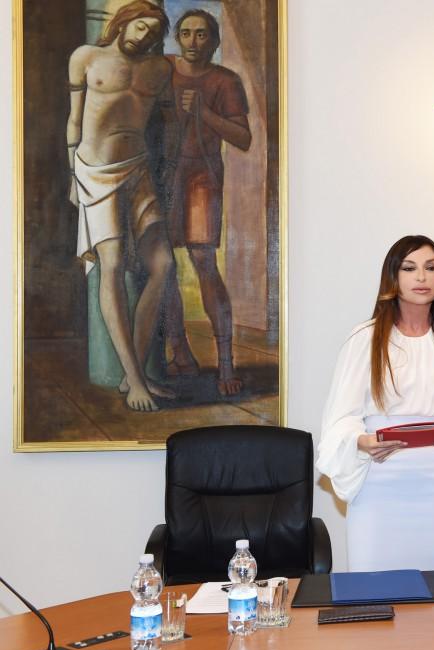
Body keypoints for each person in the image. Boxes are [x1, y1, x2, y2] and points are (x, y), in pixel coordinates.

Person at [316, 235, 434, 571]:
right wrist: (361, 441)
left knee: (432, 588)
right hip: (378, 480)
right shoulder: (365, 338)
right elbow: (341, 417)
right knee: (374, 587)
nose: (422, 277)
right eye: (410, 268)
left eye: (431, 268)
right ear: (393, 277)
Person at [67, 0, 178, 411]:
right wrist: (72, 173)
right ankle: (135, 380)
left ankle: (135, 375)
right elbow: (74, 120)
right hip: (94, 172)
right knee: (111, 265)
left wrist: (171, 169)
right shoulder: (85, 57)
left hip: (139, 169)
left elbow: (170, 122)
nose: (145, 36)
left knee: (164, 265)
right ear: (123, 23)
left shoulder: (160, 69)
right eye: (140, 27)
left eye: (153, 32)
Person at [162, 9, 252, 396]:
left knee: (203, 261)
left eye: (201, 34)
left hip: (202, 176)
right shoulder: (163, 70)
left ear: (214, 41)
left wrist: (205, 114)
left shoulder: (225, 80)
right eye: (186, 33)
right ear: (176, 38)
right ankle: (180, 352)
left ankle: (226, 362)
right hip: (163, 175)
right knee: (162, 265)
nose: (193, 41)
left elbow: (243, 138)